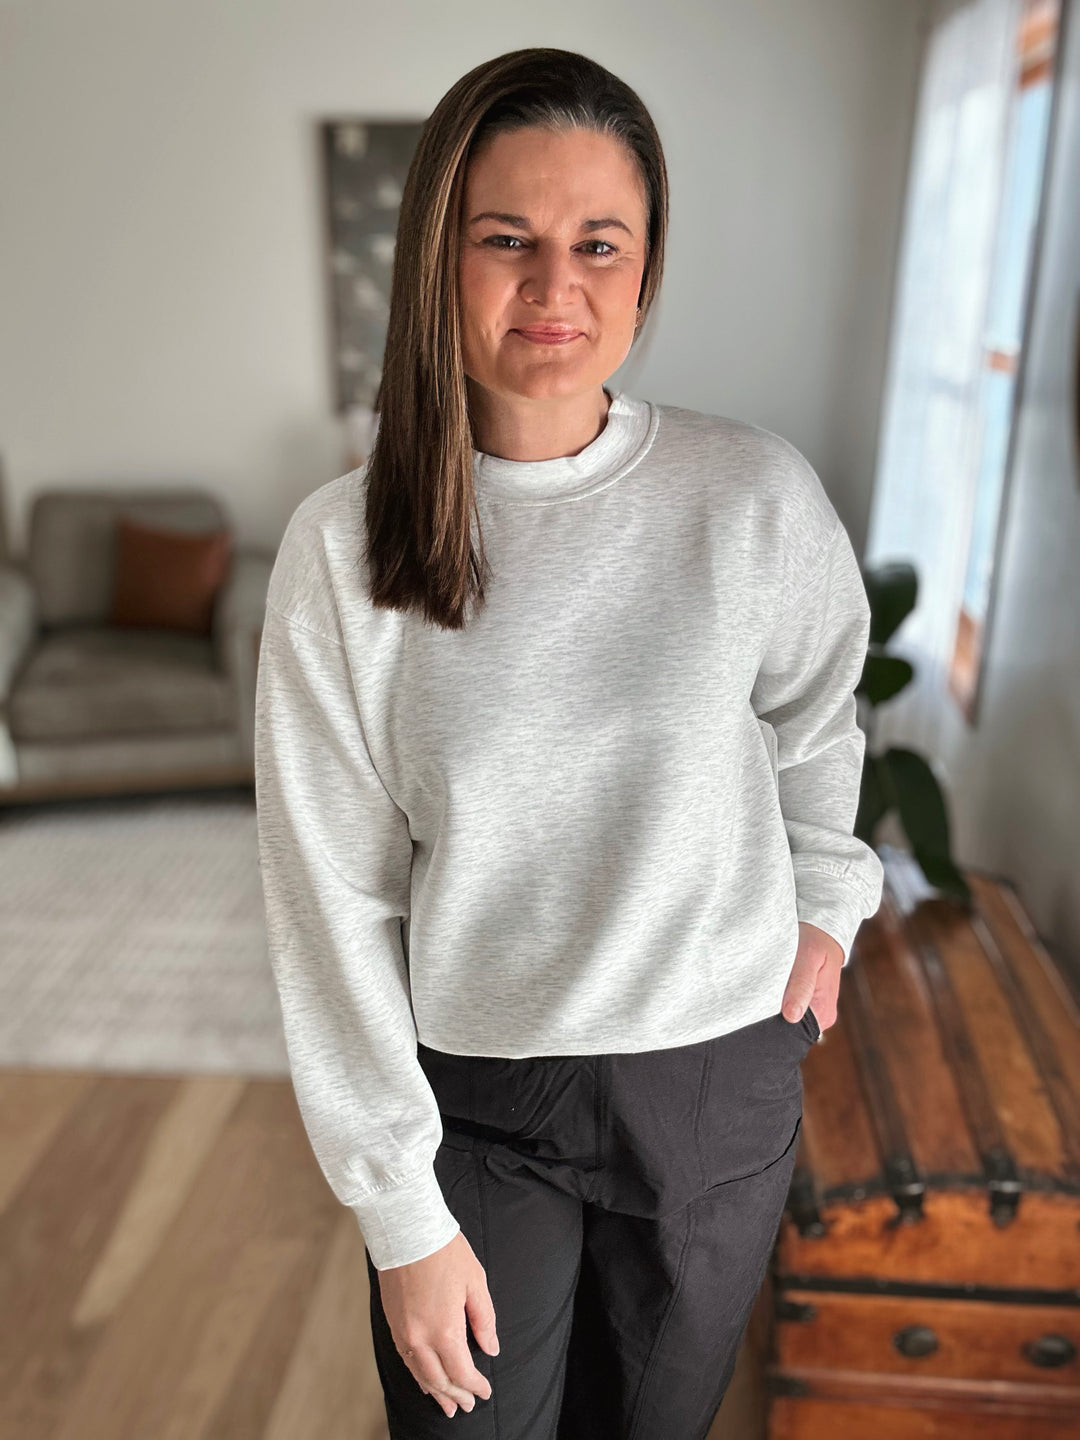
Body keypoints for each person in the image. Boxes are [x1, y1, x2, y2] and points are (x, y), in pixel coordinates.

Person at [253, 45, 884, 1440]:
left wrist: (829, 897)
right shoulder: (342, 551)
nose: (557, 286)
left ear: (647, 270)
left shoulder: (753, 495)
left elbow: (818, 717)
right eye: (508, 240)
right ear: (438, 258)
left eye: (601, 243)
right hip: (479, 1102)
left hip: (716, 1070)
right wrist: (398, 1211)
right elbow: (329, 901)